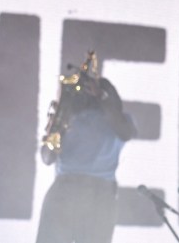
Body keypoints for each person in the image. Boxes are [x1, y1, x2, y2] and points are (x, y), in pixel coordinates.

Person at [36, 64, 137, 243]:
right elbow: (47, 157)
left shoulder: (118, 120)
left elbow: (125, 132)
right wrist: (58, 120)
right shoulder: (68, 118)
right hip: (65, 191)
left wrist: (100, 94)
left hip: (98, 195)